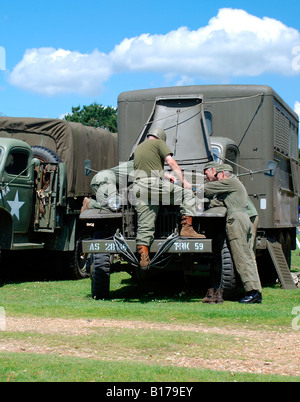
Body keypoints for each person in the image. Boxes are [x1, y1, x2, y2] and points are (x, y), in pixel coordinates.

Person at [133, 126, 205, 269]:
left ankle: (143, 254)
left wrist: (166, 176)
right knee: (187, 194)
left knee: (146, 220)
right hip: (153, 184)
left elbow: (148, 170)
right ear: (160, 138)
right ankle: (187, 228)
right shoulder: (159, 143)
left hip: (138, 187)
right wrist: (184, 181)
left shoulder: (139, 148)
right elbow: (171, 162)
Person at [204, 164, 262, 303]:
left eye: (218, 176)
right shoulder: (233, 183)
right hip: (243, 217)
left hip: (238, 218)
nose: (217, 179)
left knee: (242, 254)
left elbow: (205, 190)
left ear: (223, 174)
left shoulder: (230, 182)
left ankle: (253, 292)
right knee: (245, 255)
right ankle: (254, 290)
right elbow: (218, 201)